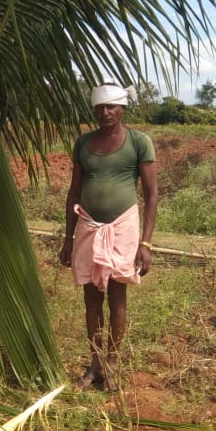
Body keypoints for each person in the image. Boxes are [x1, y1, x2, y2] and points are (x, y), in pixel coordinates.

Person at [58, 81, 158, 391]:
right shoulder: (83, 143)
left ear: (123, 108)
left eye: (111, 106)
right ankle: (94, 364)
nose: (105, 112)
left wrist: (146, 243)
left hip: (123, 228)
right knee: (91, 300)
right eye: (100, 107)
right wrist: (68, 238)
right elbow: (75, 191)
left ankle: (112, 364)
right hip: (88, 227)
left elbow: (152, 194)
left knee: (117, 298)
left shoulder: (139, 142)